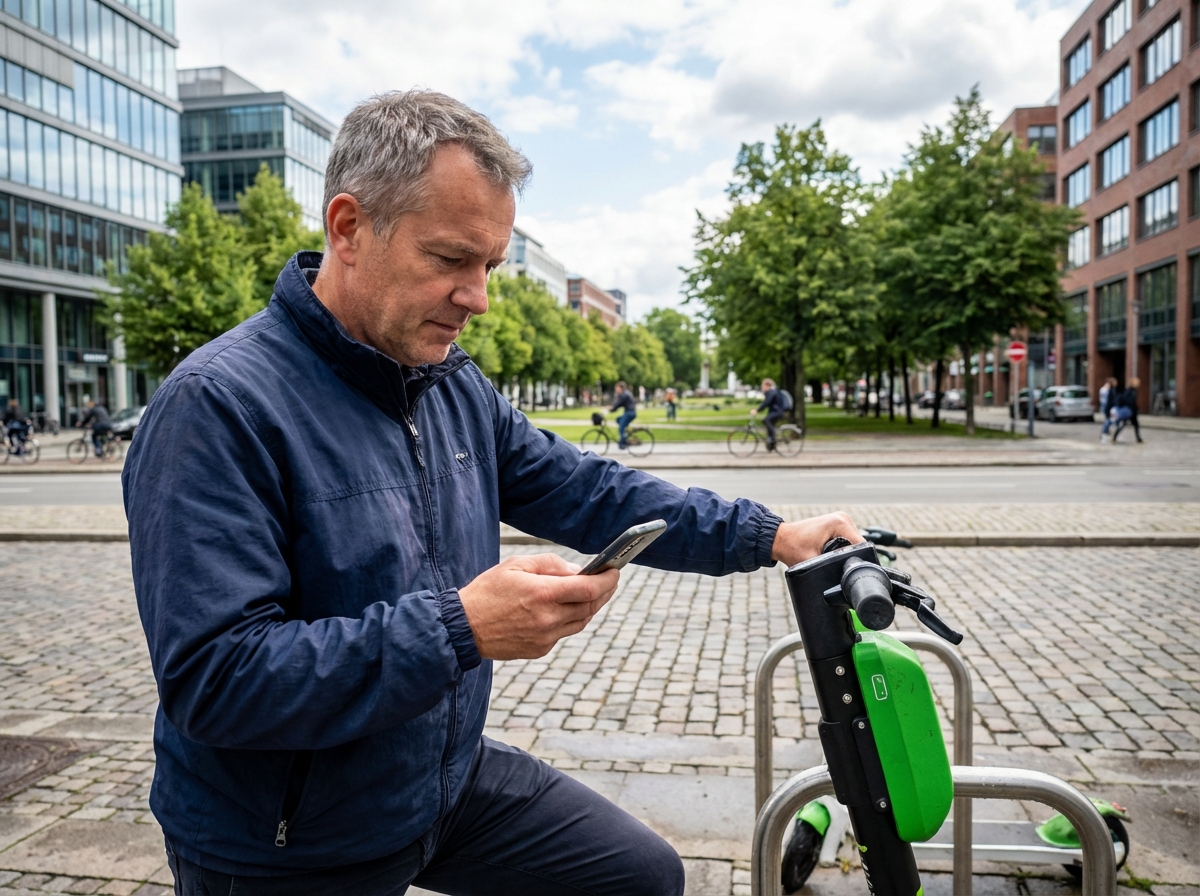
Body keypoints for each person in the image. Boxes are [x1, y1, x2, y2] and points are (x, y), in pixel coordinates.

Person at [123, 90, 863, 896]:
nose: (477, 297)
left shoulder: (446, 387)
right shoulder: (217, 406)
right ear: (348, 227)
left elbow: (587, 487)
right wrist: (461, 627)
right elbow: (216, 681)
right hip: (285, 840)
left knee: (639, 876)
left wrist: (769, 535)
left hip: (437, 786)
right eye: (450, 260)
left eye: (491, 266)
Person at [751, 378, 789, 451]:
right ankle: (771, 443)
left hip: (777, 412)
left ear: (767, 385)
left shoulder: (772, 392)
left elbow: (766, 402)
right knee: (767, 423)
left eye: (763, 386)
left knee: (766, 420)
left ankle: (774, 434)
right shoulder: (773, 391)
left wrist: (757, 410)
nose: (763, 388)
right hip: (776, 411)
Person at [1106, 377, 1143, 443]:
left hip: (1131, 411)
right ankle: (1114, 437)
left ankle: (1138, 438)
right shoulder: (1130, 391)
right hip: (1129, 410)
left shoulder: (1132, 390)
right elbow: (1127, 400)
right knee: (1124, 424)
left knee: (1134, 425)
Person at [609, 380, 637, 449]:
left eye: (616, 388)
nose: (615, 389)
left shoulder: (624, 394)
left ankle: (622, 444)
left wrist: (610, 409)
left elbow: (617, 405)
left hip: (630, 413)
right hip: (629, 412)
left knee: (621, 428)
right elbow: (617, 404)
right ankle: (624, 435)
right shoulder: (624, 393)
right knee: (618, 420)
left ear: (620, 388)